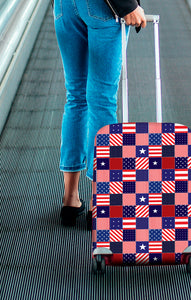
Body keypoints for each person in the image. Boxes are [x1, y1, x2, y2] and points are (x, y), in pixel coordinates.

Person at [53, 0, 146, 226]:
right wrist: (127, 5)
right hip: (104, 8)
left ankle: (70, 198)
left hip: (64, 7)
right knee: (101, 101)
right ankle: (100, 204)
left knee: (75, 97)